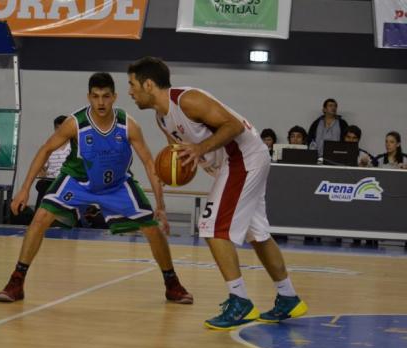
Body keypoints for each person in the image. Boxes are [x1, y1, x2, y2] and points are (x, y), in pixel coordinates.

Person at [127, 57, 307, 330]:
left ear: (148, 84)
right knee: (256, 234)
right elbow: (178, 157)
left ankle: (240, 301)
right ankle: (288, 296)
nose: (130, 91)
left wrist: (200, 149)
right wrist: (170, 175)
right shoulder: (161, 119)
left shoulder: (188, 100)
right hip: (235, 164)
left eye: (132, 84)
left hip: (243, 158)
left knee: (212, 228)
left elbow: (233, 126)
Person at [0, 72, 193, 305]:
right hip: (79, 181)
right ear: (89, 97)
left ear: (115, 97)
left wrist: (160, 204)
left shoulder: (128, 125)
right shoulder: (75, 123)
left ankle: (172, 284)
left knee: (152, 228)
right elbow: (45, 149)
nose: (101, 102)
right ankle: (16, 281)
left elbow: (149, 164)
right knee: (40, 217)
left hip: (117, 184)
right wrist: (24, 189)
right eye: (96, 96)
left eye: (106, 96)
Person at [34, 115, 71, 210]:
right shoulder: (49, 147)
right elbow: (41, 166)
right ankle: (38, 216)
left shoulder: (74, 147)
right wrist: (43, 175)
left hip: (67, 180)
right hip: (50, 180)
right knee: (42, 185)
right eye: (58, 129)